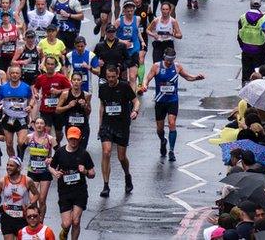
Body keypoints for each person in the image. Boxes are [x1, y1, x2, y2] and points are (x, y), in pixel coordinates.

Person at [141, 48, 205, 161]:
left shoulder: (177, 67)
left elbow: (187, 77)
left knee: (171, 123)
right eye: (167, 59)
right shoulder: (156, 66)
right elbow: (148, 78)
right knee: (160, 129)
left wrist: (196, 78)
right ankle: (163, 140)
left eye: (172, 59)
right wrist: (145, 85)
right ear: (164, 57)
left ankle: (171, 150)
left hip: (172, 100)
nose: (169, 62)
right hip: (160, 101)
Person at [96, 65, 139, 197]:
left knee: (121, 157)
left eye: (113, 77)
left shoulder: (124, 86)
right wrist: (100, 125)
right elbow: (102, 106)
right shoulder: (103, 88)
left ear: (118, 74)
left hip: (122, 125)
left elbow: (136, 101)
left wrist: (135, 111)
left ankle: (127, 175)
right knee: (106, 152)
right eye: (108, 77)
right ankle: (106, 185)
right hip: (107, 125)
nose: (111, 80)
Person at [48, 127, 94, 240]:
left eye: (75, 139)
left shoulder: (84, 154)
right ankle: (64, 231)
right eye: (71, 139)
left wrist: (86, 171)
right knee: (67, 224)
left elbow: (92, 174)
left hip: (80, 192)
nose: (73, 141)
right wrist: (55, 173)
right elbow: (51, 166)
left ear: (79, 139)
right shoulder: (60, 152)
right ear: (68, 138)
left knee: (76, 221)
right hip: (64, 192)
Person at [0, 156, 40, 240]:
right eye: (7, 165)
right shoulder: (2, 181)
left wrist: (30, 204)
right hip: (7, 216)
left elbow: (36, 194)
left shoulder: (27, 181)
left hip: (22, 217)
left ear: (18, 168)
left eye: (11, 165)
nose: (8, 167)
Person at [237, 0, 265, 85]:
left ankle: (244, 90)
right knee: (258, 75)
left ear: (250, 4)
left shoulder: (242, 18)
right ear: (259, 5)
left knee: (246, 74)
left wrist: (243, 47)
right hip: (260, 52)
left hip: (246, 49)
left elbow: (239, 36)